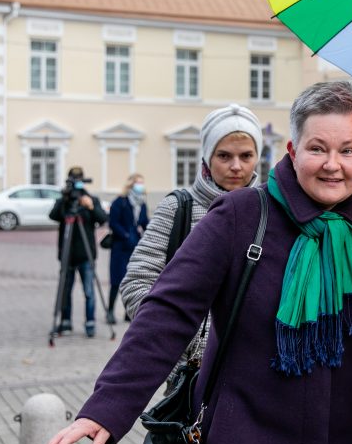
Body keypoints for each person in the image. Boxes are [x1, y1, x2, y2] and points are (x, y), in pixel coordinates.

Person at [40, 82, 352, 444]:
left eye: (348, 150)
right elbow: (168, 311)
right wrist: (107, 407)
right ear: (293, 151)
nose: (333, 164)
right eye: (317, 148)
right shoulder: (241, 215)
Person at [120, 102, 262, 384]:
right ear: (207, 158)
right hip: (190, 376)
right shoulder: (178, 208)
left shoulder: (268, 211)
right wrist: (191, 342)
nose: (236, 166)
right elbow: (136, 283)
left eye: (246, 156)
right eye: (224, 155)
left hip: (251, 377)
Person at [48, 166, 107, 338]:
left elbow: (102, 219)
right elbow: (53, 215)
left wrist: (90, 207)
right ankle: (65, 322)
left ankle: (90, 322)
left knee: (89, 290)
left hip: (86, 254)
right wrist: (64, 200)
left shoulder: (91, 199)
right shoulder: (64, 199)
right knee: (65, 289)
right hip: (67, 254)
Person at [105, 173, 149, 324]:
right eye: (138, 183)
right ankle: (110, 311)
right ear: (131, 185)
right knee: (116, 280)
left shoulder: (142, 203)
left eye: (142, 183)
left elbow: (145, 222)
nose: (140, 186)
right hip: (120, 246)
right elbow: (113, 223)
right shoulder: (120, 202)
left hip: (135, 247)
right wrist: (124, 235)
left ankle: (127, 312)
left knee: (132, 279)